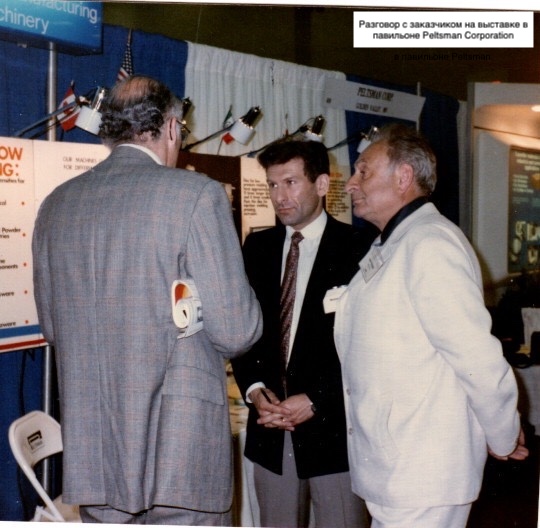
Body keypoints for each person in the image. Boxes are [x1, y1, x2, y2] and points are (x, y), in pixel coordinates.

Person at [32, 75, 262, 526]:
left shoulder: (55, 205)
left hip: (98, 460)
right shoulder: (197, 195)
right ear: (172, 128)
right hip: (180, 458)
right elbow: (237, 331)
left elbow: (53, 329)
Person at [334, 123, 528, 528]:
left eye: (363, 171)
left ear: (403, 177)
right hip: (398, 469)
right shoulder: (394, 243)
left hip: (423, 472)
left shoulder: (430, 244)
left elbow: (478, 359)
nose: (351, 184)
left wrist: (503, 436)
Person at [232, 140, 376, 527]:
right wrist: (254, 389)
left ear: (322, 184)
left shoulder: (360, 248)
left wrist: (317, 399)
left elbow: (370, 345)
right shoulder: (257, 247)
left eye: (291, 183)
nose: (280, 196)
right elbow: (243, 330)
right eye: (273, 185)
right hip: (271, 430)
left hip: (334, 433)